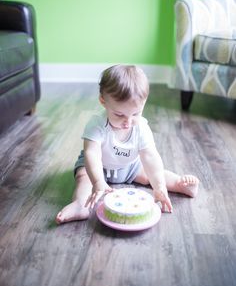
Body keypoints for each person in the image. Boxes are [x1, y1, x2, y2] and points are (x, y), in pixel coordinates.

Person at [56, 64, 199, 224]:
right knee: (84, 178)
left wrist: (158, 186)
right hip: (97, 168)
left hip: (129, 167)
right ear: (103, 101)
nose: (128, 122)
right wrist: (98, 181)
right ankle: (80, 205)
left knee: (151, 174)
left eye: (136, 114)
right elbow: (92, 154)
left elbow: (151, 157)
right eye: (119, 115)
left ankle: (180, 184)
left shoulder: (141, 128)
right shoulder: (96, 124)